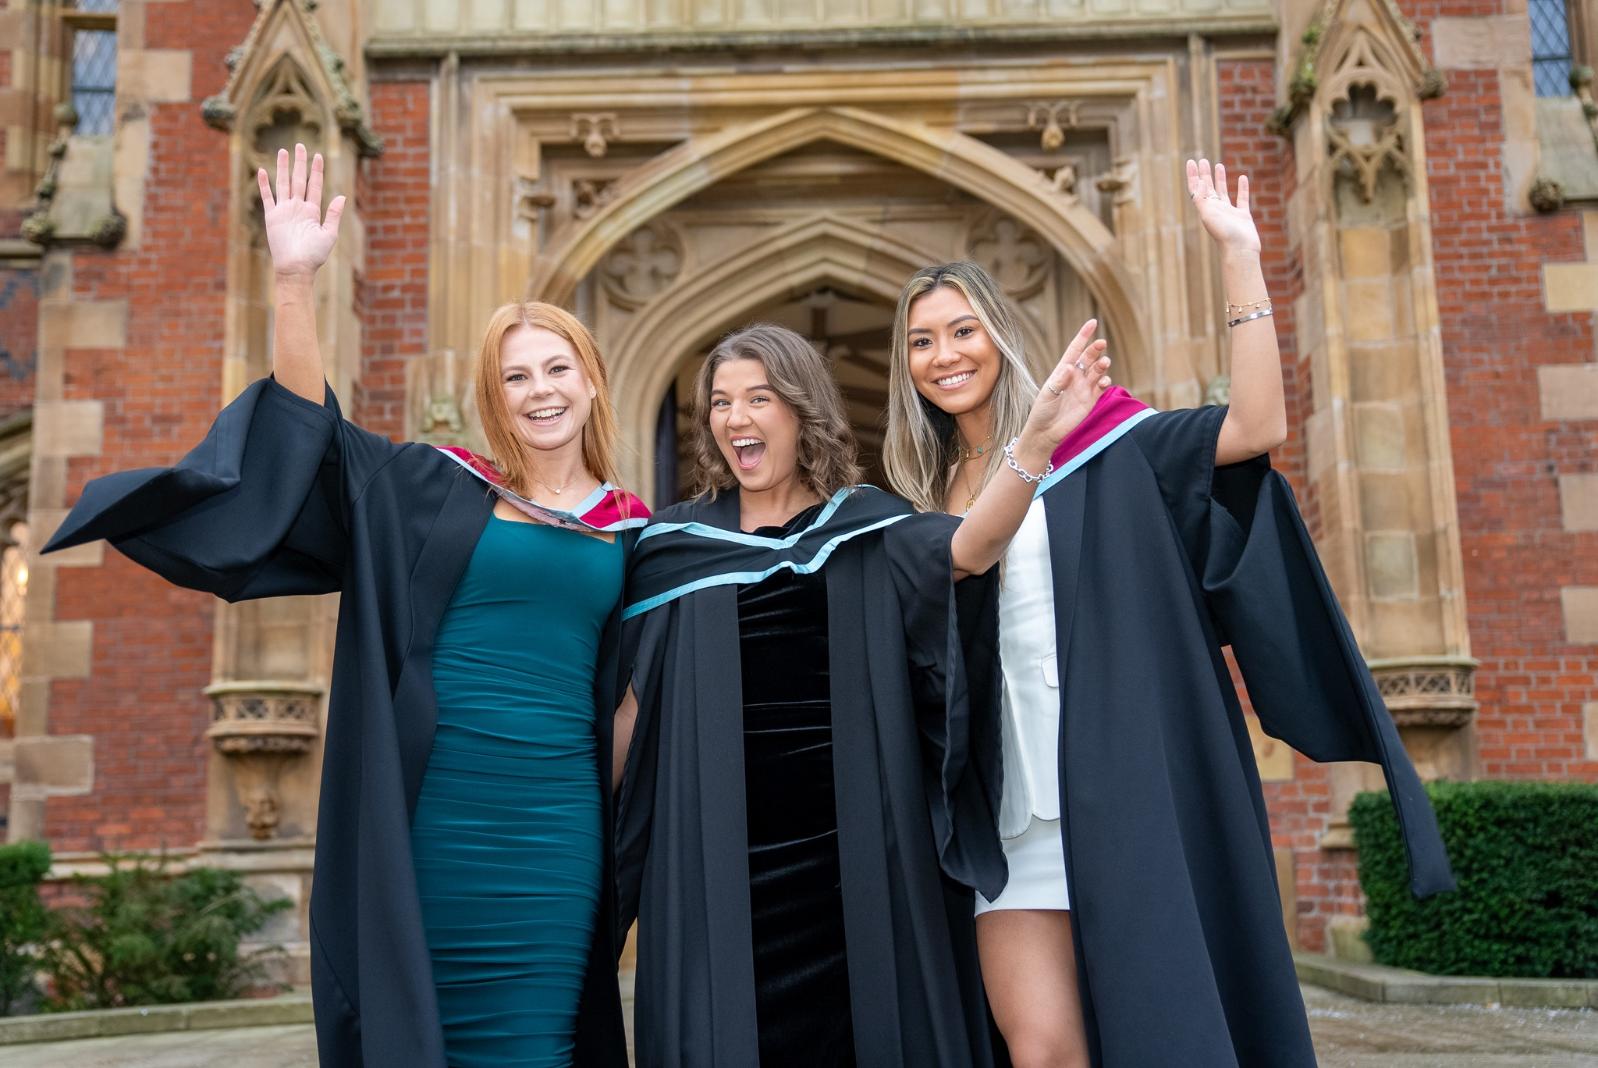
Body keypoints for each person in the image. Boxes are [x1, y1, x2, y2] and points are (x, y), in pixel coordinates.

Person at [43, 144, 643, 1068]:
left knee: (542, 1036)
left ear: (592, 378)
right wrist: (292, 281)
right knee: (433, 1030)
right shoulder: (437, 489)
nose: (541, 393)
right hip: (444, 807)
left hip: (558, 820)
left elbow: (643, 692)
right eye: (517, 378)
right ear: (495, 397)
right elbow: (309, 437)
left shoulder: (634, 527)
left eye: (557, 370)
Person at [881, 160, 1454, 1067]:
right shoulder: (923, 502)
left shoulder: (1104, 444)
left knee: (1157, 1030)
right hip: (1007, 807)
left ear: (1003, 336)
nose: (945, 356)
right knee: (1040, 1049)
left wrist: (1239, 256)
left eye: (963, 331)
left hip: (1122, 783)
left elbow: (1256, 427)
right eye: (921, 342)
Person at [614, 322, 1111, 1066]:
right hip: (713, 852)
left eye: (758, 397)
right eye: (720, 402)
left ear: (801, 409)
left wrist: (1034, 443)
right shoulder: (673, 548)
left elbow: (971, 546)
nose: (735, 417)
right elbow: (630, 710)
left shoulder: (871, 529)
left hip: (860, 849)